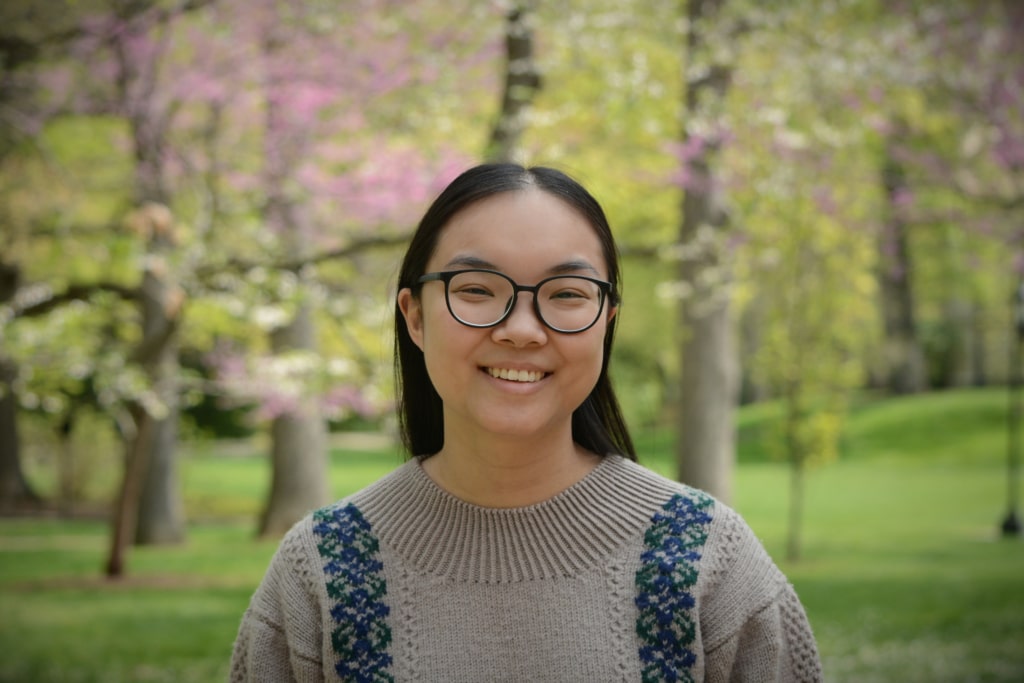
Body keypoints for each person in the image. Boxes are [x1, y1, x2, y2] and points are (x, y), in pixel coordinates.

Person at [230, 163, 823, 682]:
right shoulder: (325, 569)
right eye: (477, 289)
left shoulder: (705, 558)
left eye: (566, 294)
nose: (521, 328)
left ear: (607, 320)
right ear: (414, 316)